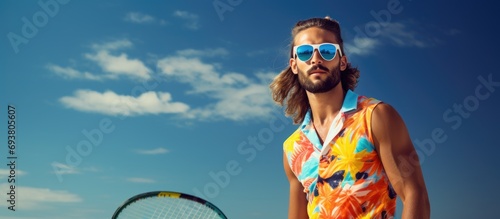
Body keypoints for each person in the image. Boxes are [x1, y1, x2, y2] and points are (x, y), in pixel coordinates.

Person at [270, 17, 430, 219]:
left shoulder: (376, 117)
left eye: (327, 50)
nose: (316, 58)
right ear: (294, 65)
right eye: (305, 52)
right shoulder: (292, 148)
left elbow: (415, 195)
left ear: (342, 61)